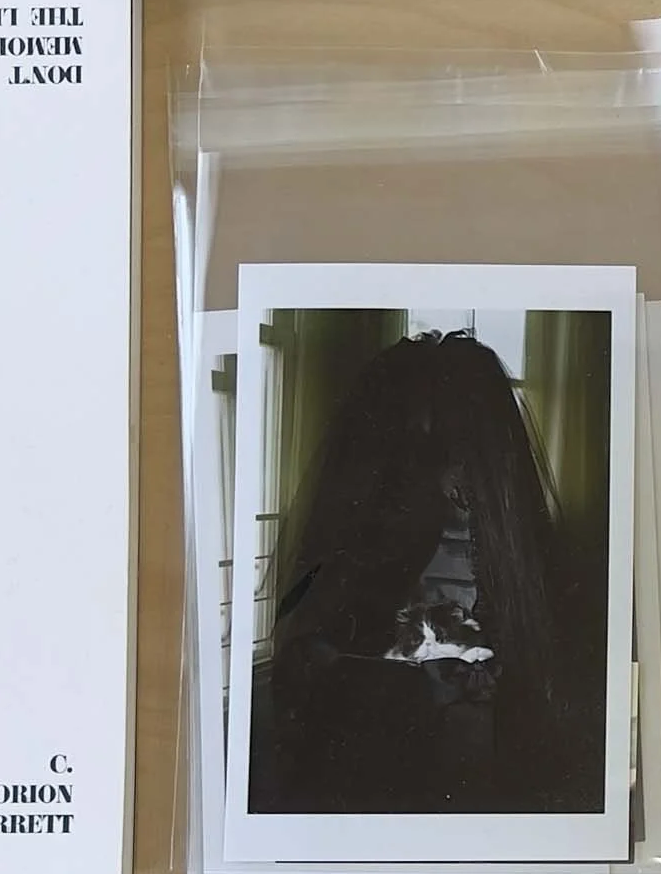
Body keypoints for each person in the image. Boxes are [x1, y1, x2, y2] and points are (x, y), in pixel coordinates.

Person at [249, 328, 602, 818]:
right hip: (379, 743)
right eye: (428, 452)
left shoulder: (495, 545)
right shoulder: (369, 540)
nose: (451, 475)